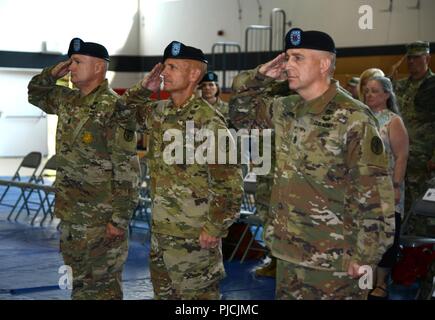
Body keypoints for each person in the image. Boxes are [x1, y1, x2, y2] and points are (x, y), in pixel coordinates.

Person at [229, 28, 395, 300]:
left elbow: (375, 196)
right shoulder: (286, 109)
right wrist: (260, 76)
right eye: (287, 58)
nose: (288, 65)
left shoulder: (353, 117)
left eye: (298, 58)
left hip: (334, 263)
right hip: (288, 253)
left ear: (324, 64)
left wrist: (365, 256)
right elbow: (240, 113)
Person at [118, 41, 243, 299]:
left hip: (194, 237)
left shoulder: (208, 121)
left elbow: (229, 183)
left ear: (194, 75)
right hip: (161, 234)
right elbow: (120, 115)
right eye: (164, 66)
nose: (164, 72)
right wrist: (144, 90)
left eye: (173, 67)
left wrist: (214, 227)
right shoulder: (159, 112)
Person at [27, 38, 140, 300]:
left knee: (103, 287)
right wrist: (52, 73)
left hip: (101, 219)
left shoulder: (114, 108)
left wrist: (119, 220)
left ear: (99, 67)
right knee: (78, 282)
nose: (71, 67)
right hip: (71, 213)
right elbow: (35, 93)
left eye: (77, 62)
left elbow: (127, 170)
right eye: (70, 61)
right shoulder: (68, 100)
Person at [363, 76, 409, 299]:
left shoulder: (393, 121)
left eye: (374, 91)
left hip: (387, 189)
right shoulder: (361, 118)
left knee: (386, 238)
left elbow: (401, 156)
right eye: (367, 91)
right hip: (363, 190)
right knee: (364, 237)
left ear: (386, 95)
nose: (369, 94)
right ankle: (365, 281)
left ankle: (381, 284)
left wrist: (397, 185)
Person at [390, 41, 434, 212]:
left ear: (427, 58)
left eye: (416, 57)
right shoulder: (401, 86)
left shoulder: (432, 85)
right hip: (400, 157)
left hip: (423, 157)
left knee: (424, 205)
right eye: (409, 58)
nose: (411, 62)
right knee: (403, 205)